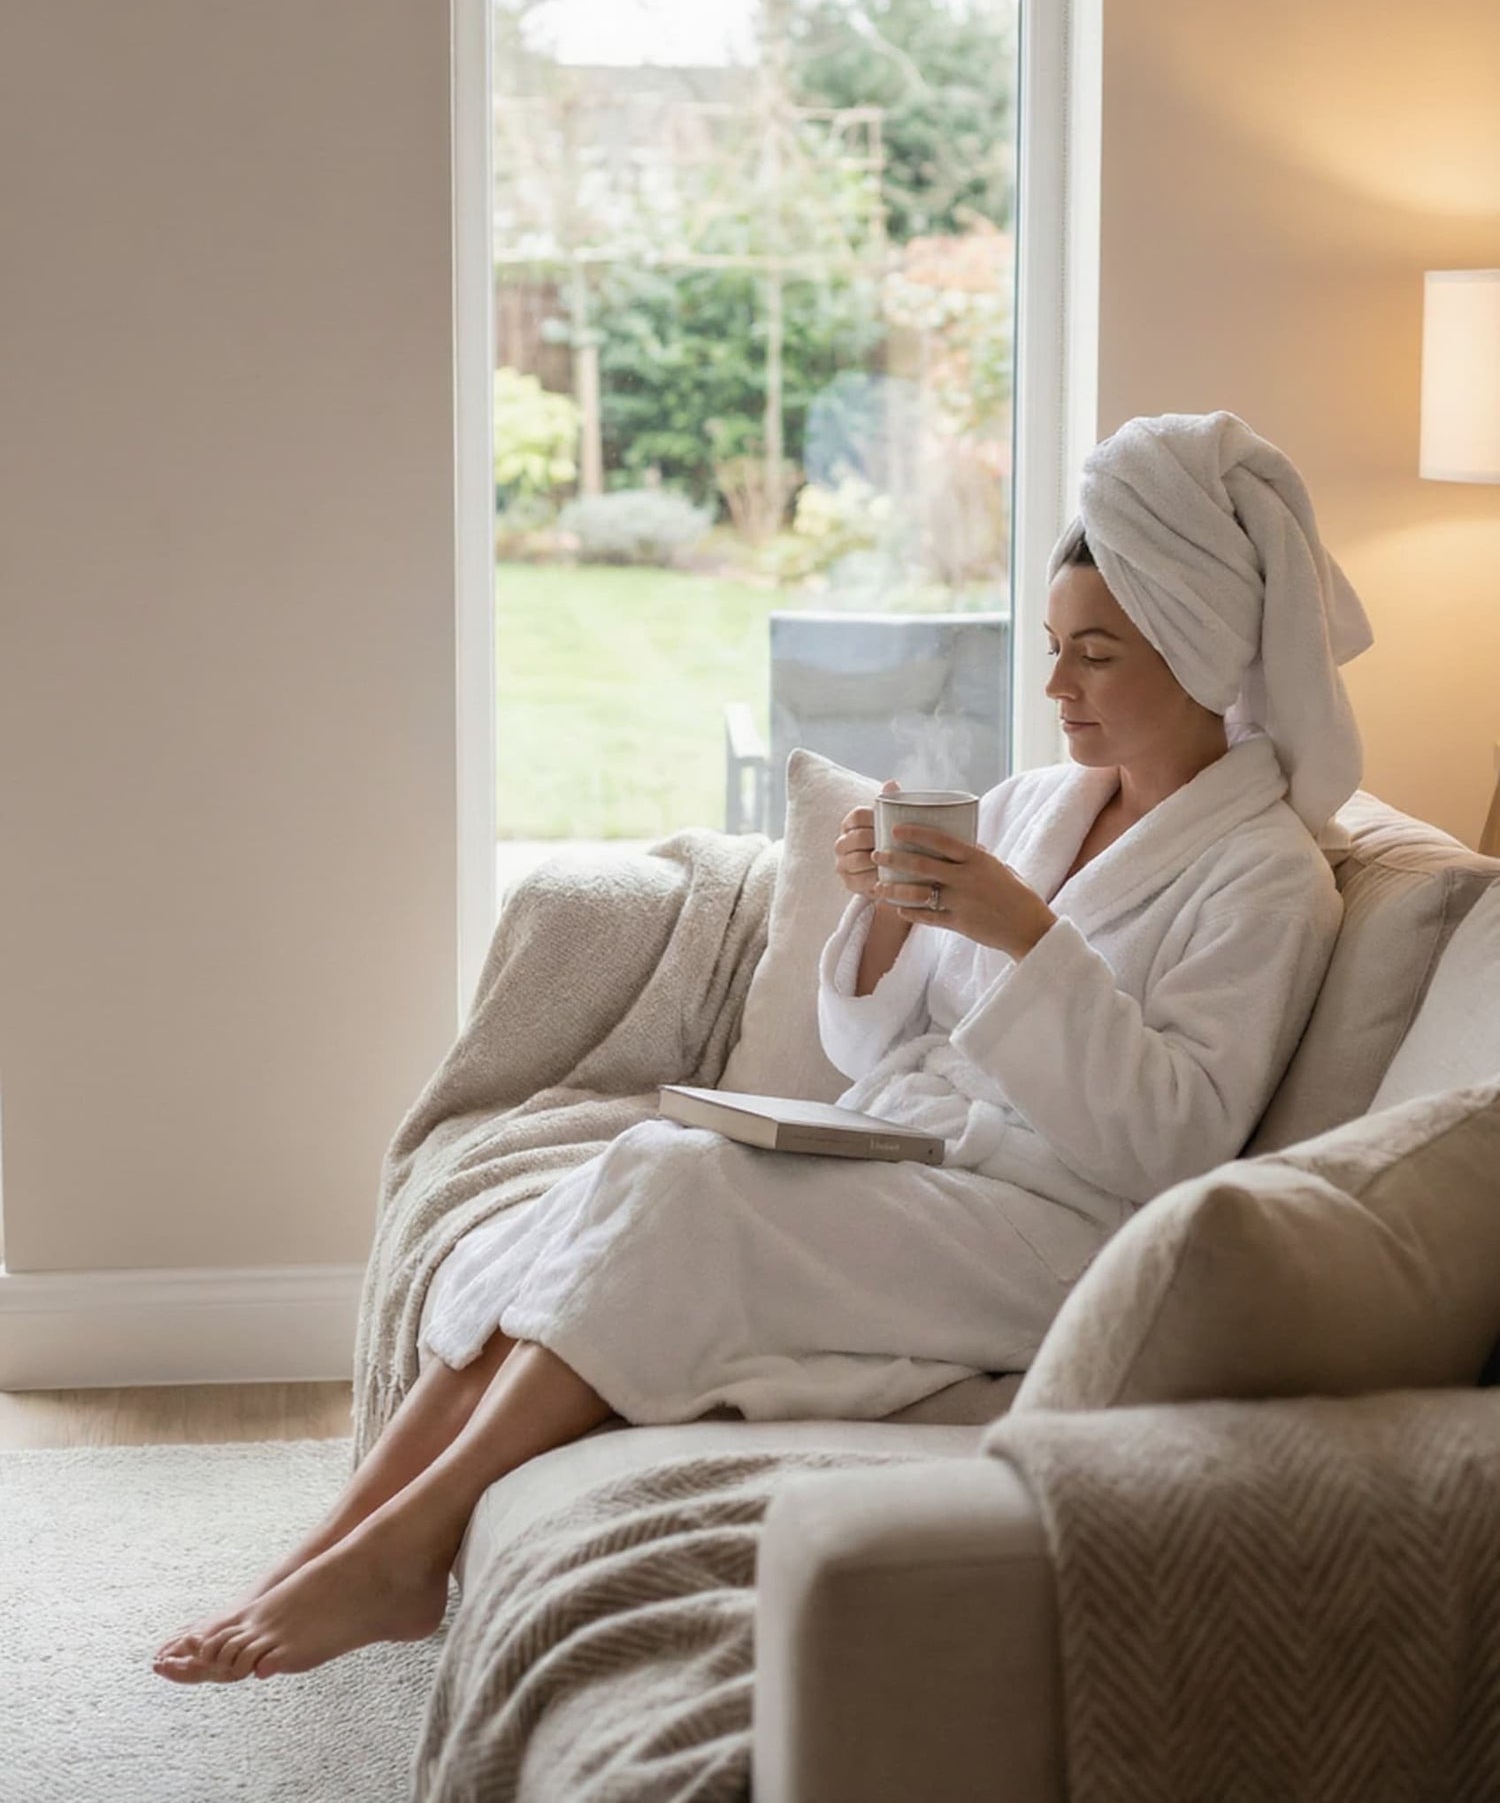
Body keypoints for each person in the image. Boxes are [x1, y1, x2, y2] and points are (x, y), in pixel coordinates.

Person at [154, 409, 1371, 1686]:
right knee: (632, 1166)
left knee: (685, 1185)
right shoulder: (1036, 805)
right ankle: (334, 1542)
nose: (1057, 687)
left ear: (1197, 646)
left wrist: (1026, 937)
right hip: (930, 1162)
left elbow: (1175, 1138)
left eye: (1097, 656)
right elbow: (871, 1043)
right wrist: (887, 917)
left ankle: (408, 1549)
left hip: (1062, 1231)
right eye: (1055, 650)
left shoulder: (1267, 877)